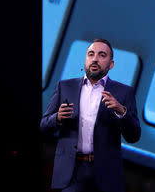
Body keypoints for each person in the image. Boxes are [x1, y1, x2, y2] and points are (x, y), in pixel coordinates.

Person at [40, 38, 141, 192]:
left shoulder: (123, 93)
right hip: (72, 171)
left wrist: (122, 111)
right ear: (85, 59)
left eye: (102, 55)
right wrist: (58, 118)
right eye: (91, 54)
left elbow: (134, 136)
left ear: (111, 64)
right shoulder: (65, 87)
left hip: (106, 173)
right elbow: (43, 126)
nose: (95, 59)